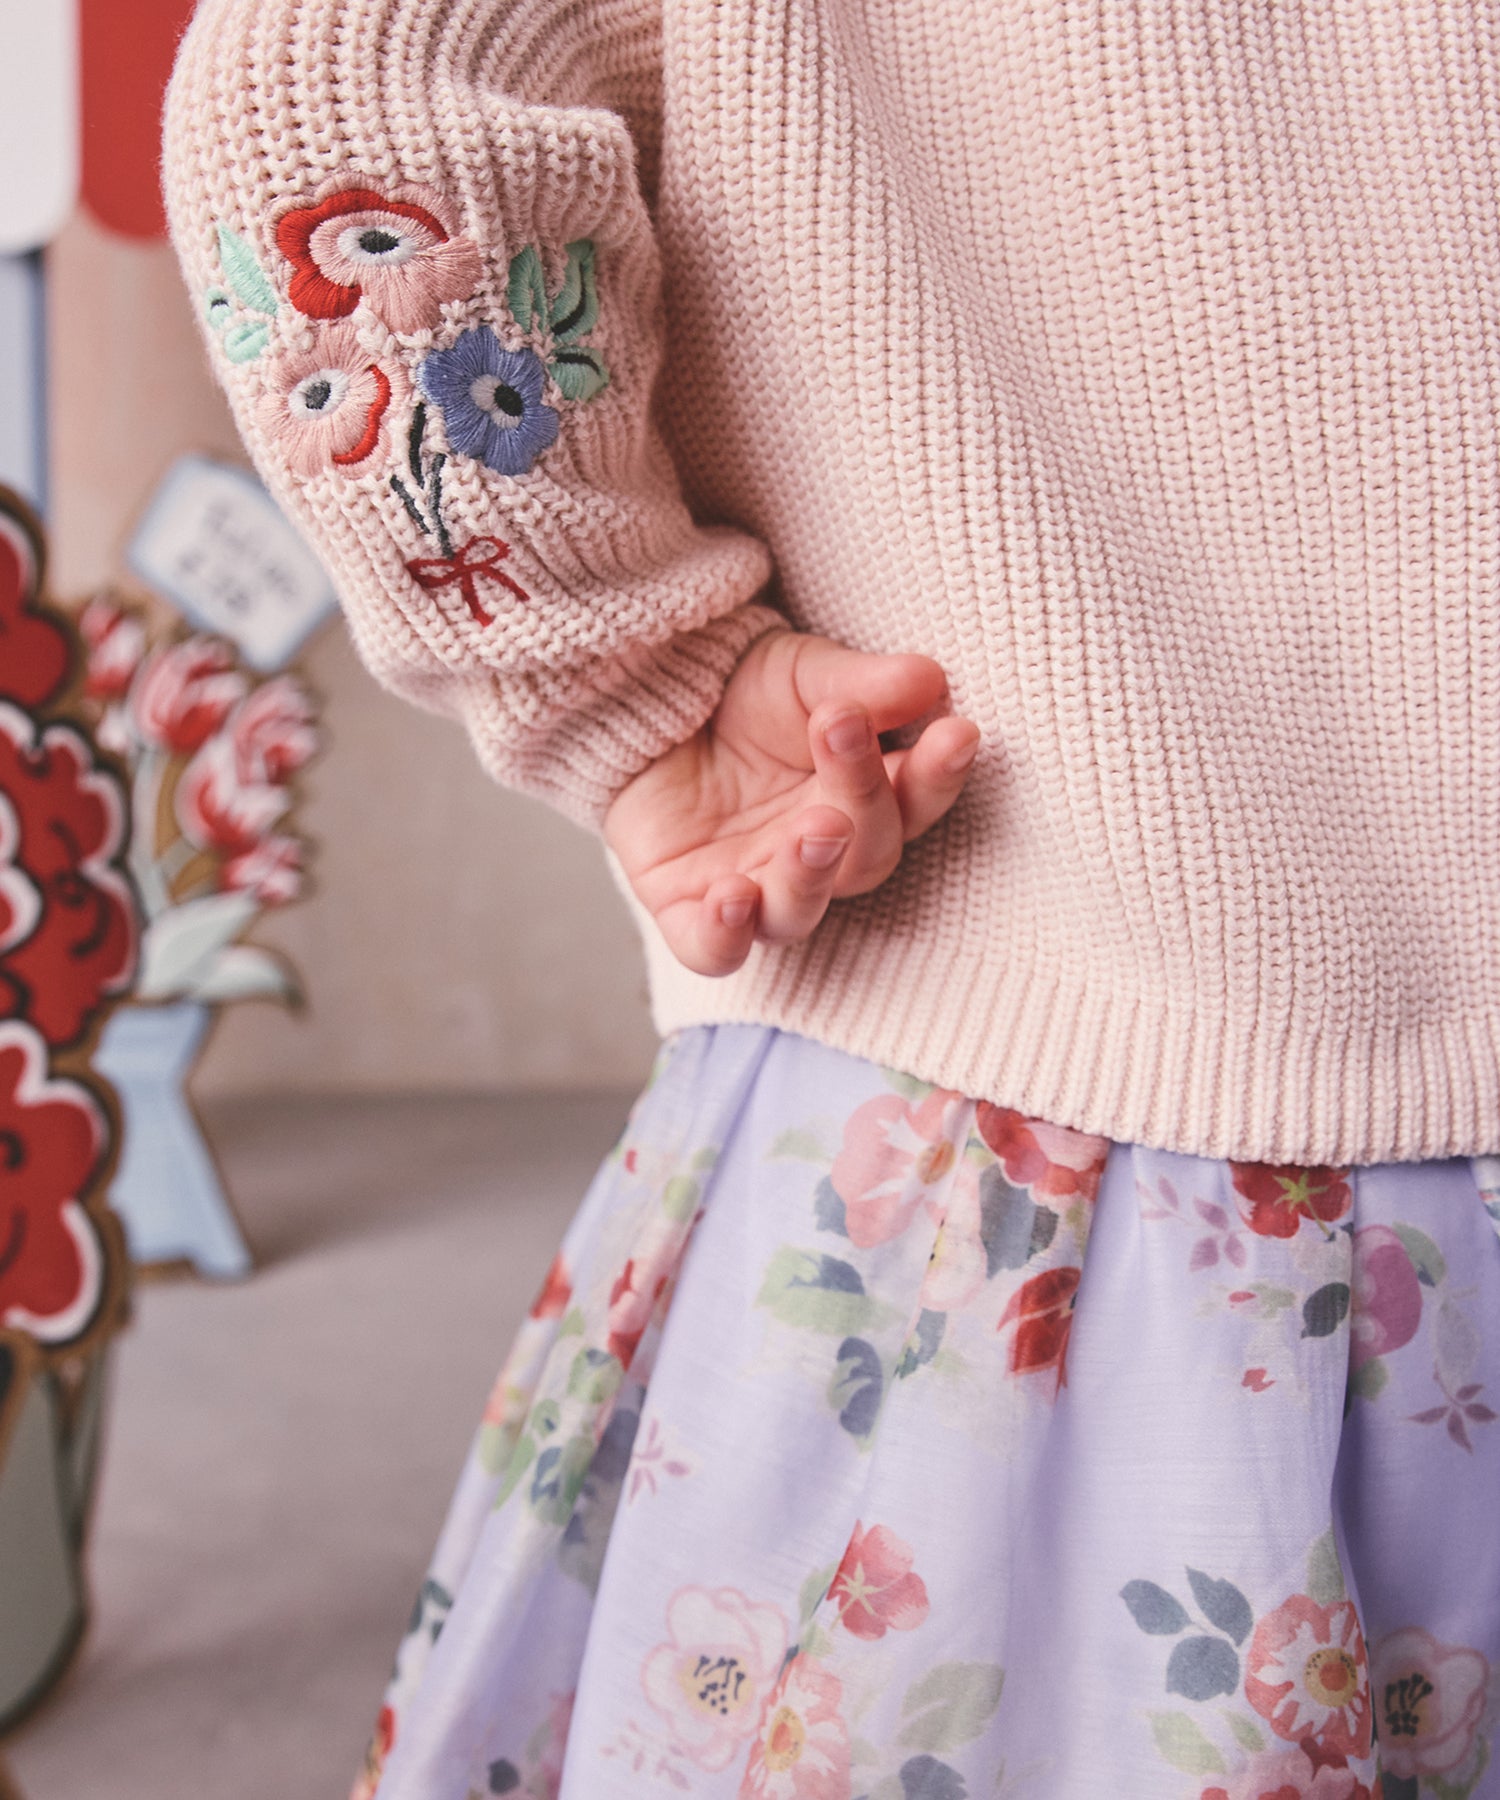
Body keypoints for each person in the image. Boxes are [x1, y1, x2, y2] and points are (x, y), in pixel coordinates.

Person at [162, 1, 1500, 1793]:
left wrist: (631, 686)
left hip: (1028, 1174)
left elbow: (325, 78)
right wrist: (633, 673)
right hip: (1086, 1130)